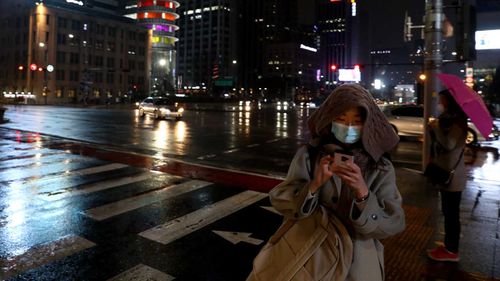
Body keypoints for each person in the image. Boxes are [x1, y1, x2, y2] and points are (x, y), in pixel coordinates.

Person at [267, 84, 405, 281]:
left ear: (367, 125)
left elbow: (394, 223)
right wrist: (313, 186)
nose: (348, 128)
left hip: (358, 267)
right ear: (330, 120)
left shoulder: (380, 167)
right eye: (341, 119)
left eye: (356, 121)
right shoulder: (309, 156)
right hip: (309, 258)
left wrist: (363, 194)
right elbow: (279, 200)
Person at [426, 89, 468, 262]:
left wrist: (435, 127)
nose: (440, 104)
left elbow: (449, 144)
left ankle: (452, 252)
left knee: (451, 214)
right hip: (445, 172)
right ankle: (449, 247)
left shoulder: (458, 122)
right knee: (447, 211)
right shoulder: (448, 120)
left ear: (450, 101)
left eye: (442, 100)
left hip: (453, 176)